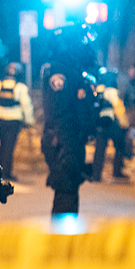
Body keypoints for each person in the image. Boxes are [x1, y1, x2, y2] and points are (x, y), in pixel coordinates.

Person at [40, 25, 99, 216]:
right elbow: (60, 115)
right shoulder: (60, 73)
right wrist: (67, 150)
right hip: (64, 140)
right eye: (81, 44)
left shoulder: (70, 72)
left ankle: (63, 240)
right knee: (66, 194)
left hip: (69, 139)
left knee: (69, 193)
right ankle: (61, 243)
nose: (86, 49)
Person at [0, 61, 34, 181]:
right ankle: (6, 173)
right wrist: (29, 121)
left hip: (0, 119)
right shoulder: (21, 87)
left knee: (0, 146)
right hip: (14, 120)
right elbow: (27, 106)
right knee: (9, 147)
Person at [91, 68, 129, 182]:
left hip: (99, 123)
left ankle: (96, 175)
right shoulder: (112, 91)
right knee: (119, 146)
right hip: (112, 124)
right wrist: (124, 123)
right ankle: (117, 172)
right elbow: (118, 108)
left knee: (99, 150)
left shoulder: (97, 91)